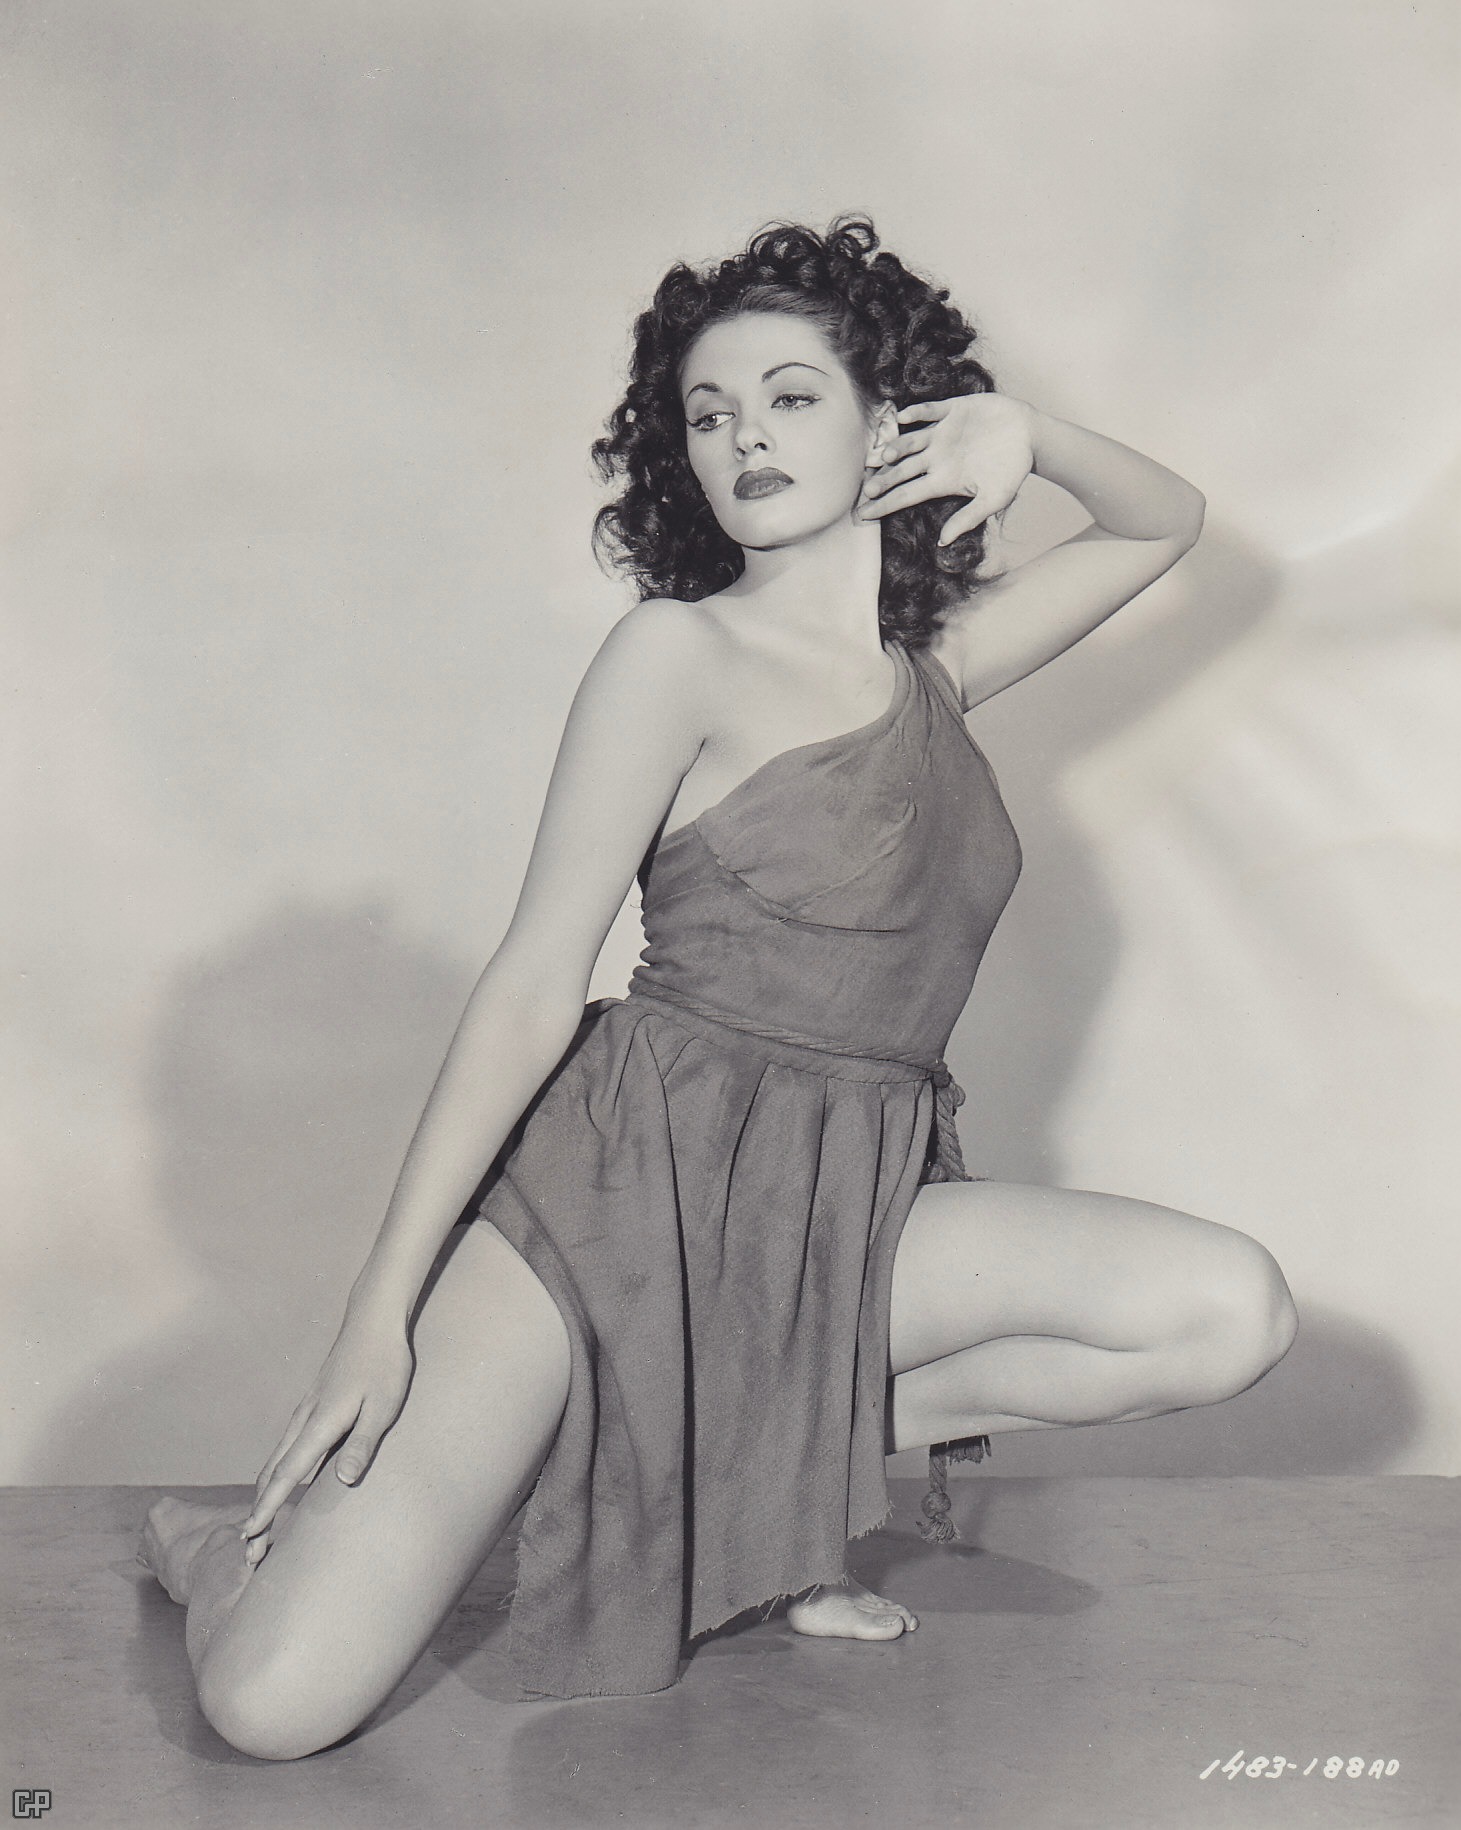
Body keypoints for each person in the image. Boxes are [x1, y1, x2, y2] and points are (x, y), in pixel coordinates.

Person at [138, 217, 1297, 1757]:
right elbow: (531, 982)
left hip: (840, 1206)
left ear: (887, 423)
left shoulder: (936, 668)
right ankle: (211, 1550)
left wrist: (1027, 432)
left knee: (1224, 1312)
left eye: (790, 396)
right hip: (615, 1199)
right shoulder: (674, 656)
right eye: (707, 412)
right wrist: (378, 1311)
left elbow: (1166, 526)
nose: (744, 434)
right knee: (273, 1704)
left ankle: (741, 1464)